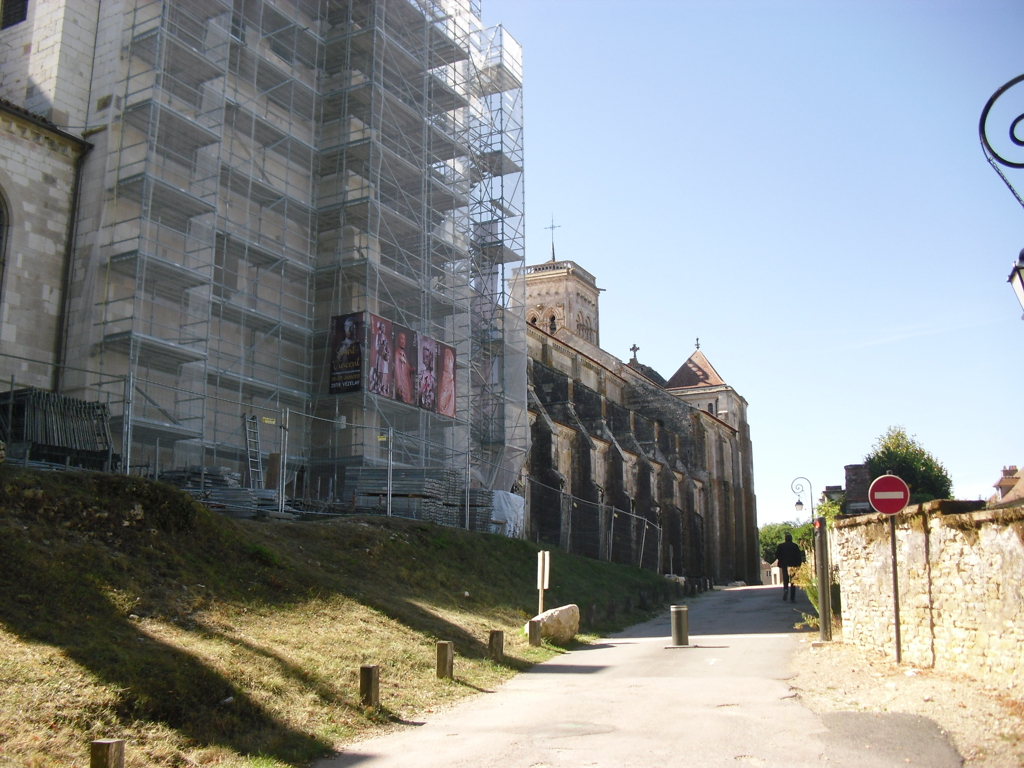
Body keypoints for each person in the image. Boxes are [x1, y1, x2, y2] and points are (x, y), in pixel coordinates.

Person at [775, 533, 805, 601]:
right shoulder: (795, 546)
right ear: (791, 539)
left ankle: (785, 589)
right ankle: (792, 597)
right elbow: (798, 556)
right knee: (793, 580)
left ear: (785, 539)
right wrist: (799, 564)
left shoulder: (781, 546)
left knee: (785, 578)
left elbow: (777, 555)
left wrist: (781, 559)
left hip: (784, 564)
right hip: (793, 565)